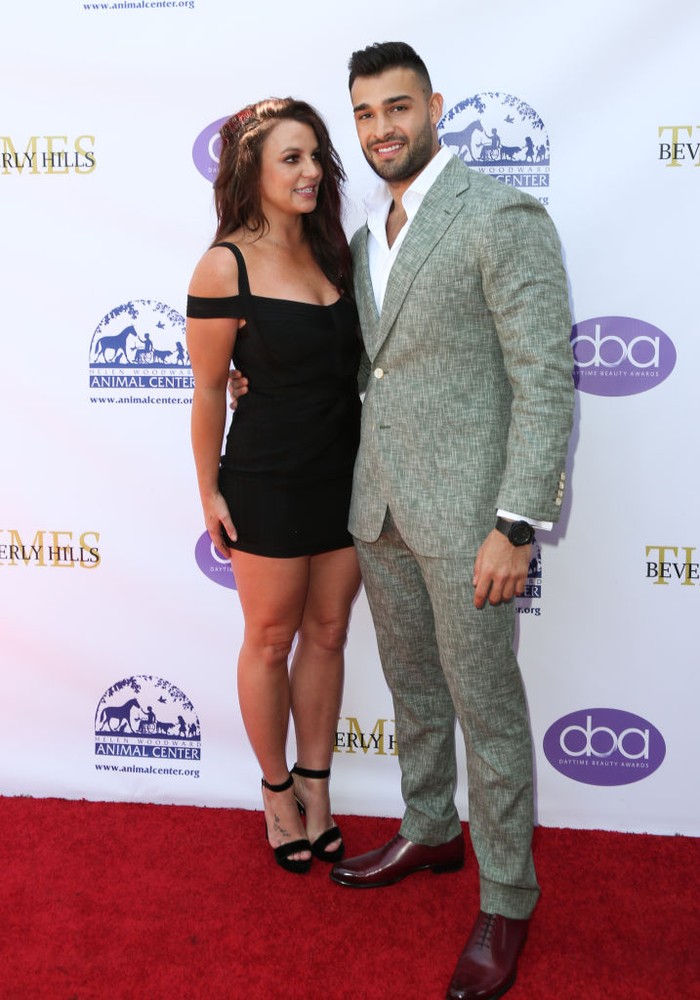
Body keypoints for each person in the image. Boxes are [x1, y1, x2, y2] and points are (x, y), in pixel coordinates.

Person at [328, 42, 574, 1000]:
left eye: (397, 107)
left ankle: (507, 896)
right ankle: (431, 829)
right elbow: (378, 367)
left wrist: (515, 522)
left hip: (473, 515)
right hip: (379, 504)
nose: (382, 127)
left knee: (488, 709)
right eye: (364, 114)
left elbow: (543, 379)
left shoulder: (499, 216)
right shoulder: (365, 235)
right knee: (413, 687)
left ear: (435, 105)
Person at [186, 98, 362, 875]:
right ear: (251, 170)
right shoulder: (225, 263)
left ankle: (318, 790)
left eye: (317, 156)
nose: (312, 172)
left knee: (328, 635)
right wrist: (209, 492)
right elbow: (207, 389)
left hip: (347, 476)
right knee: (268, 639)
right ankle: (275, 792)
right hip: (264, 481)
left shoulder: (336, 255)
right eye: (291, 158)